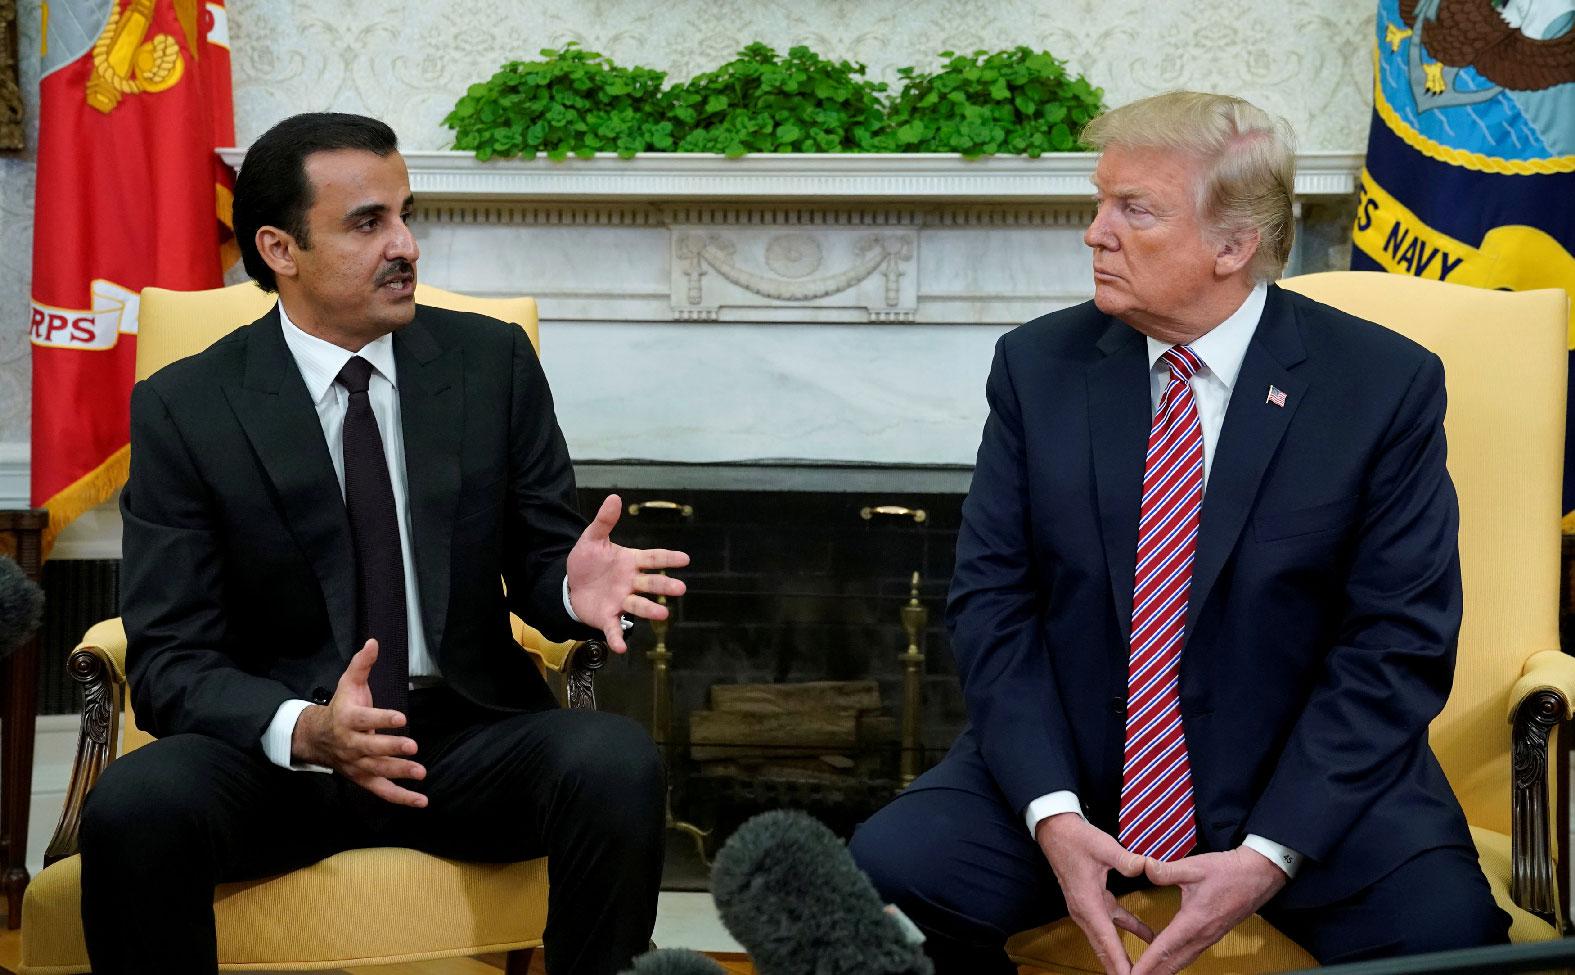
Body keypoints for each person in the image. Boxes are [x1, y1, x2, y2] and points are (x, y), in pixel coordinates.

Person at [849, 91, 1510, 975]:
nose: (1094, 232)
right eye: (1098, 201)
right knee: (881, 874)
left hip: (1306, 783)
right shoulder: (1037, 368)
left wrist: (1271, 850)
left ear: (1233, 246)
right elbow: (991, 607)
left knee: (1448, 934)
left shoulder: (1379, 387)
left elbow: (1397, 642)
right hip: (1079, 772)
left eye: (1134, 210)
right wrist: (1050, 812)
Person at [78, 112, 686, 975]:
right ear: (280, 249)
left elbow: (547, 555)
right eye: (368, 222)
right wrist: (309, 728)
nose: (405, 244)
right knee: (134, 807)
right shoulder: (189, 407)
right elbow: (171, 658)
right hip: (284, 753)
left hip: (463, 741)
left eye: (406, 214)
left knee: (613, 759)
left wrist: (566, 591)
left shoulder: (490, 364)